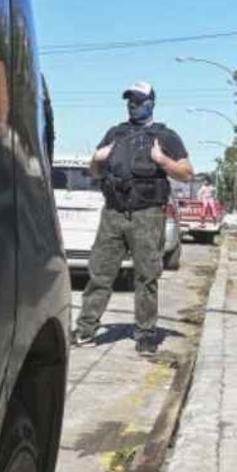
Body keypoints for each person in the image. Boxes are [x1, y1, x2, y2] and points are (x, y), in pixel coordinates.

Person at [74, 81, 194, 356]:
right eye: (129, 100)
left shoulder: (165, 136)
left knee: (146, 277)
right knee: (100, 273)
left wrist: (163, 161)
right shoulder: (115, 133)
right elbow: (94, 172)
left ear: (151, 102)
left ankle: (146, 334)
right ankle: (85, 330)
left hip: (147, 214)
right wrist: (97, 158)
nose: (133, 104)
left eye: (138, 100)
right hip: (114, 213)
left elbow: (187, 173)